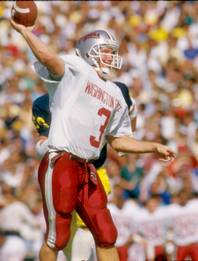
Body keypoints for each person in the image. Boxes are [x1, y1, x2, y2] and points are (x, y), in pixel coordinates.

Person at [11, 17, 175, 261]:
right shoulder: (77, 70)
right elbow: (49, 58)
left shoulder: (116, 94)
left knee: (106, 234)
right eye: (105, 51)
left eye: (112, 52)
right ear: (89, 53)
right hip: (62, 161)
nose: (110, 57)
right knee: (58, 237)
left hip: (88, 168)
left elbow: (118, 141)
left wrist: (152, 147)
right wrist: (25, 32)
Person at [32, 80, 137, 261]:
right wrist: (59, 142)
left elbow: (131, 112)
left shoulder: (111, 91)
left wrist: (124, 136)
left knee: (97, 230)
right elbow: (42, 143)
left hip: (93, 170)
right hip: (61, 173)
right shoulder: (44, 103)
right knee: (60, 237)